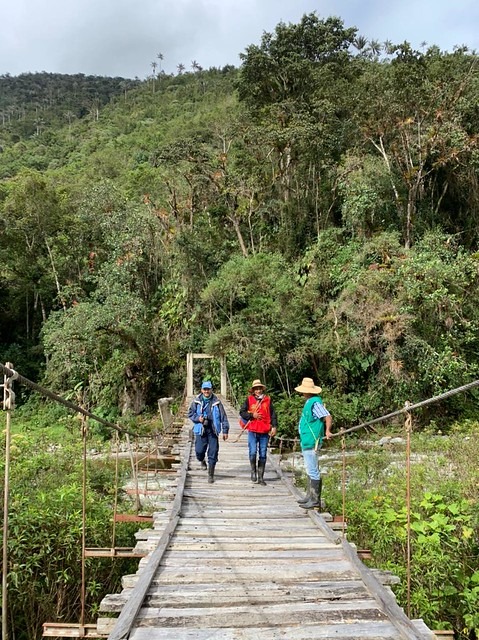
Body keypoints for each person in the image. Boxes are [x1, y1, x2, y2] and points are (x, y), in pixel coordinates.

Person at [295, 377, 332, 509]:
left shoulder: (315, 403)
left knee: (313, 469)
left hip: (312, 440)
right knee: (309, 468)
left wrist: (327, 431)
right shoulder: (309, 402)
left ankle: (315, 499)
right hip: (307, 440)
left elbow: (327, 416)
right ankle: (309, 496)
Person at [188, 380, 230, 483]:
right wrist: (198, 418)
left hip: (213, 430)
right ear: (201, 390)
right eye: (205, 389)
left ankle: (211, 474)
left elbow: (223, 417)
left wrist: (225, 430)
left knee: (213, 452)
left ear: (211, 390)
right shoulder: (196, 401)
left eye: (208, 389)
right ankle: (202, 460)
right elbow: (190, 413)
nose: (206, 391)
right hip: (201, 429)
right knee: (199, 451)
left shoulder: (217, 402)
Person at [239, 379, 278, 485]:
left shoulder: (268, 400)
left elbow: (273, 414)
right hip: (252, 430)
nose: (258, 391)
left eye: (259, 389)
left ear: (262, 389)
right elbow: (242, 412)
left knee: (263, 453)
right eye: (256, 389)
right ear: (253, 390)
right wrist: (252, 415)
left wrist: (274, 426)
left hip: (264, 430)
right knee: (252, 452)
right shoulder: (249, 399)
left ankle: (261, 477)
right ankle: (253, 471)